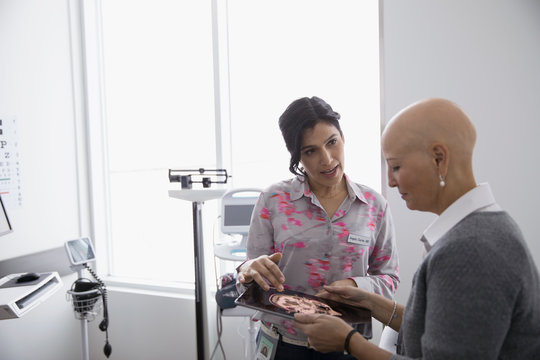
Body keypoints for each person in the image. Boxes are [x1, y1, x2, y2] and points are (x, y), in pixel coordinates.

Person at [294, 98, 540, 359]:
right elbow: (439, 327)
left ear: (439, 158)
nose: (390, 180)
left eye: (397, 166)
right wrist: (367, 300)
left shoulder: (470, 250)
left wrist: (349, 341)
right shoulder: (480, 230)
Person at [237, 96, 400, 359]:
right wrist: (246, 270)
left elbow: (389, 279)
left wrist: (355, 284)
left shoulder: (374, 206)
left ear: (343, 138)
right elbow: (251, 274)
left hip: (346, 345)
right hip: (282, 345)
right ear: (297, 156)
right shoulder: (273, 200)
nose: (326, 159)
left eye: (331, 143)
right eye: (310, 151)